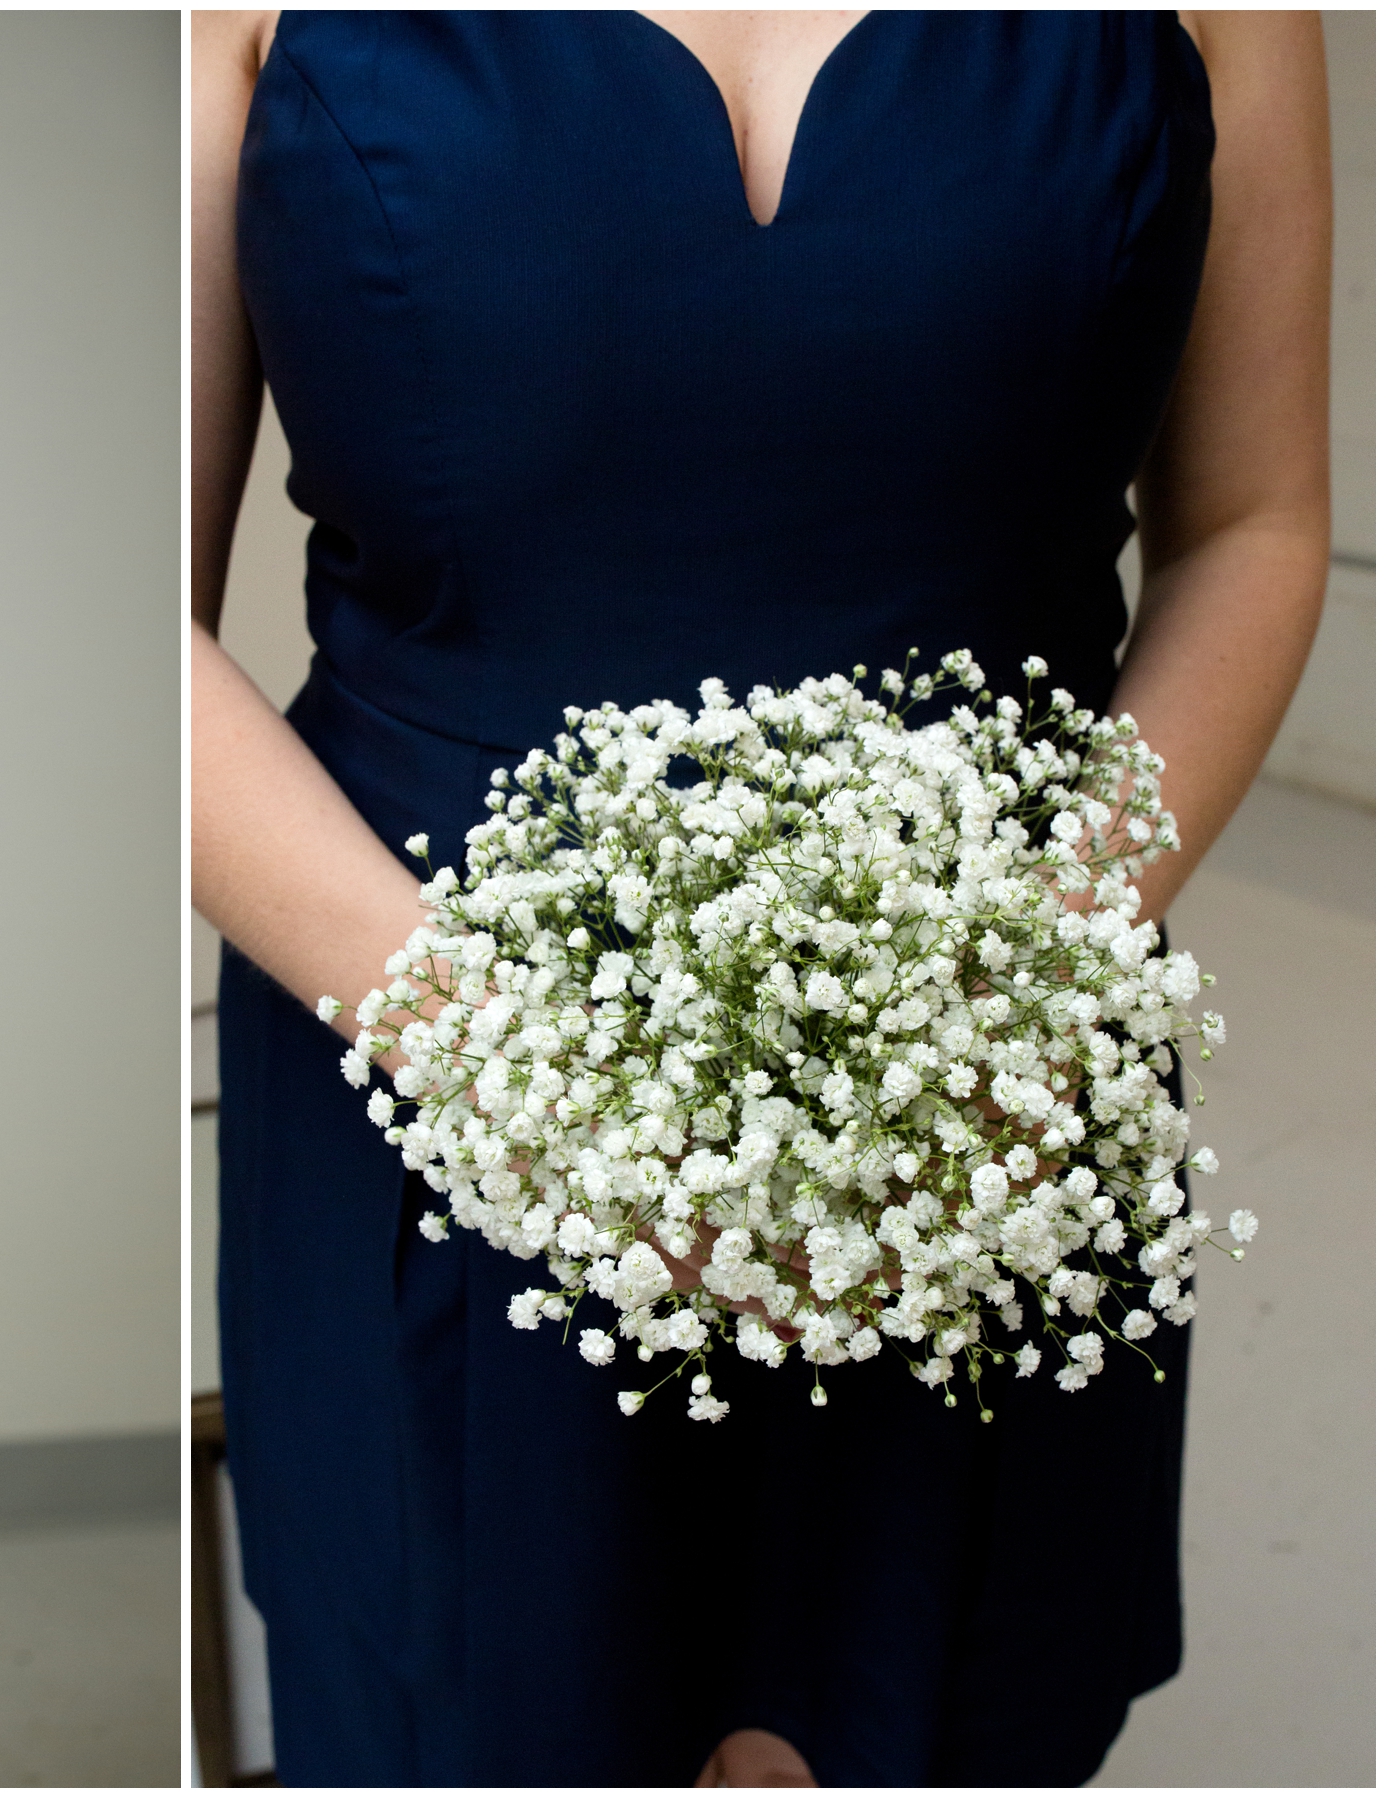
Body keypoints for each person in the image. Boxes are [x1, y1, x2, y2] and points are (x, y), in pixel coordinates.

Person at [192, 10, 1326, 1786]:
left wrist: (1002, 998)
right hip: (427, 1066)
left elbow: (1251, 523)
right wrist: (523, 1079)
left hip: (981, 1103)